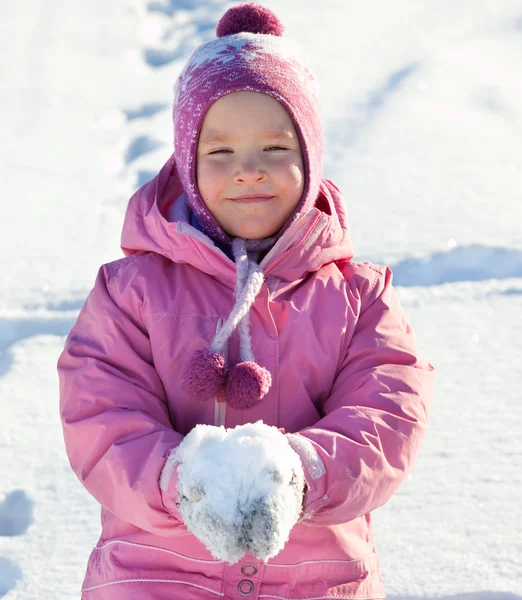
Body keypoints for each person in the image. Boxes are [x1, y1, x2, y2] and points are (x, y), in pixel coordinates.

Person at [58, 3, 435, 599]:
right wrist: (179, 480)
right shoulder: (131, 291)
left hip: (317, 579)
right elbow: (100, 414)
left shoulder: (359, 297)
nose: (249, 172)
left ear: (309, 158)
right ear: (187, 162)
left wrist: (302, 472)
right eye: (221, 153)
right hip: (155, 574)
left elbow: (387, 415)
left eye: (275, 149)